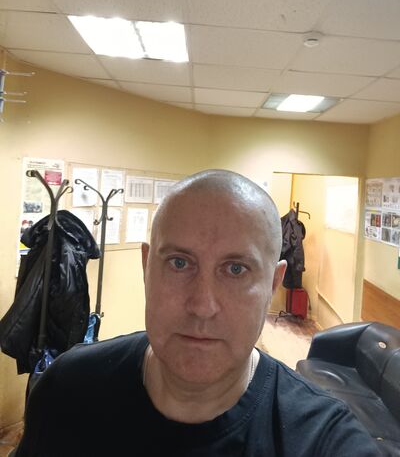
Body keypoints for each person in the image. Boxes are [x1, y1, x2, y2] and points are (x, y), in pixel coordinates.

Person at [16, 170, 379, 456]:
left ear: (273, 284)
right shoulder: (66, 391)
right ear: (147, 267)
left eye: (236, 269)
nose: (203, 305)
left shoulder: (324, 440)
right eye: (179, 263)